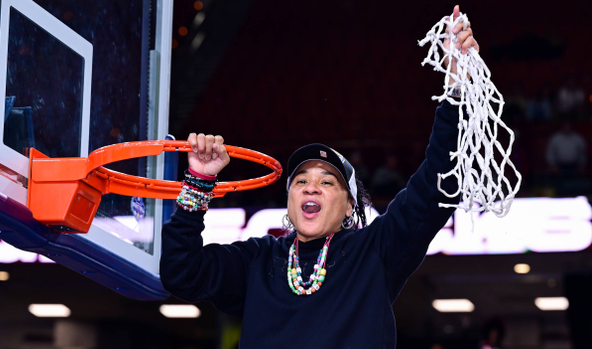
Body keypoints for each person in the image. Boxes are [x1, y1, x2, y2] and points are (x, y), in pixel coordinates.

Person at [160, 5, 478, 348]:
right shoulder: (258, 260)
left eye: (327, 182)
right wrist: (199, 181)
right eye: (300, 181)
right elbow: (182, 273)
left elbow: (435, 185)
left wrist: (456, 88)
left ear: (348, 207)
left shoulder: (374, 252)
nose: (311, 185)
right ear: (291, 201)